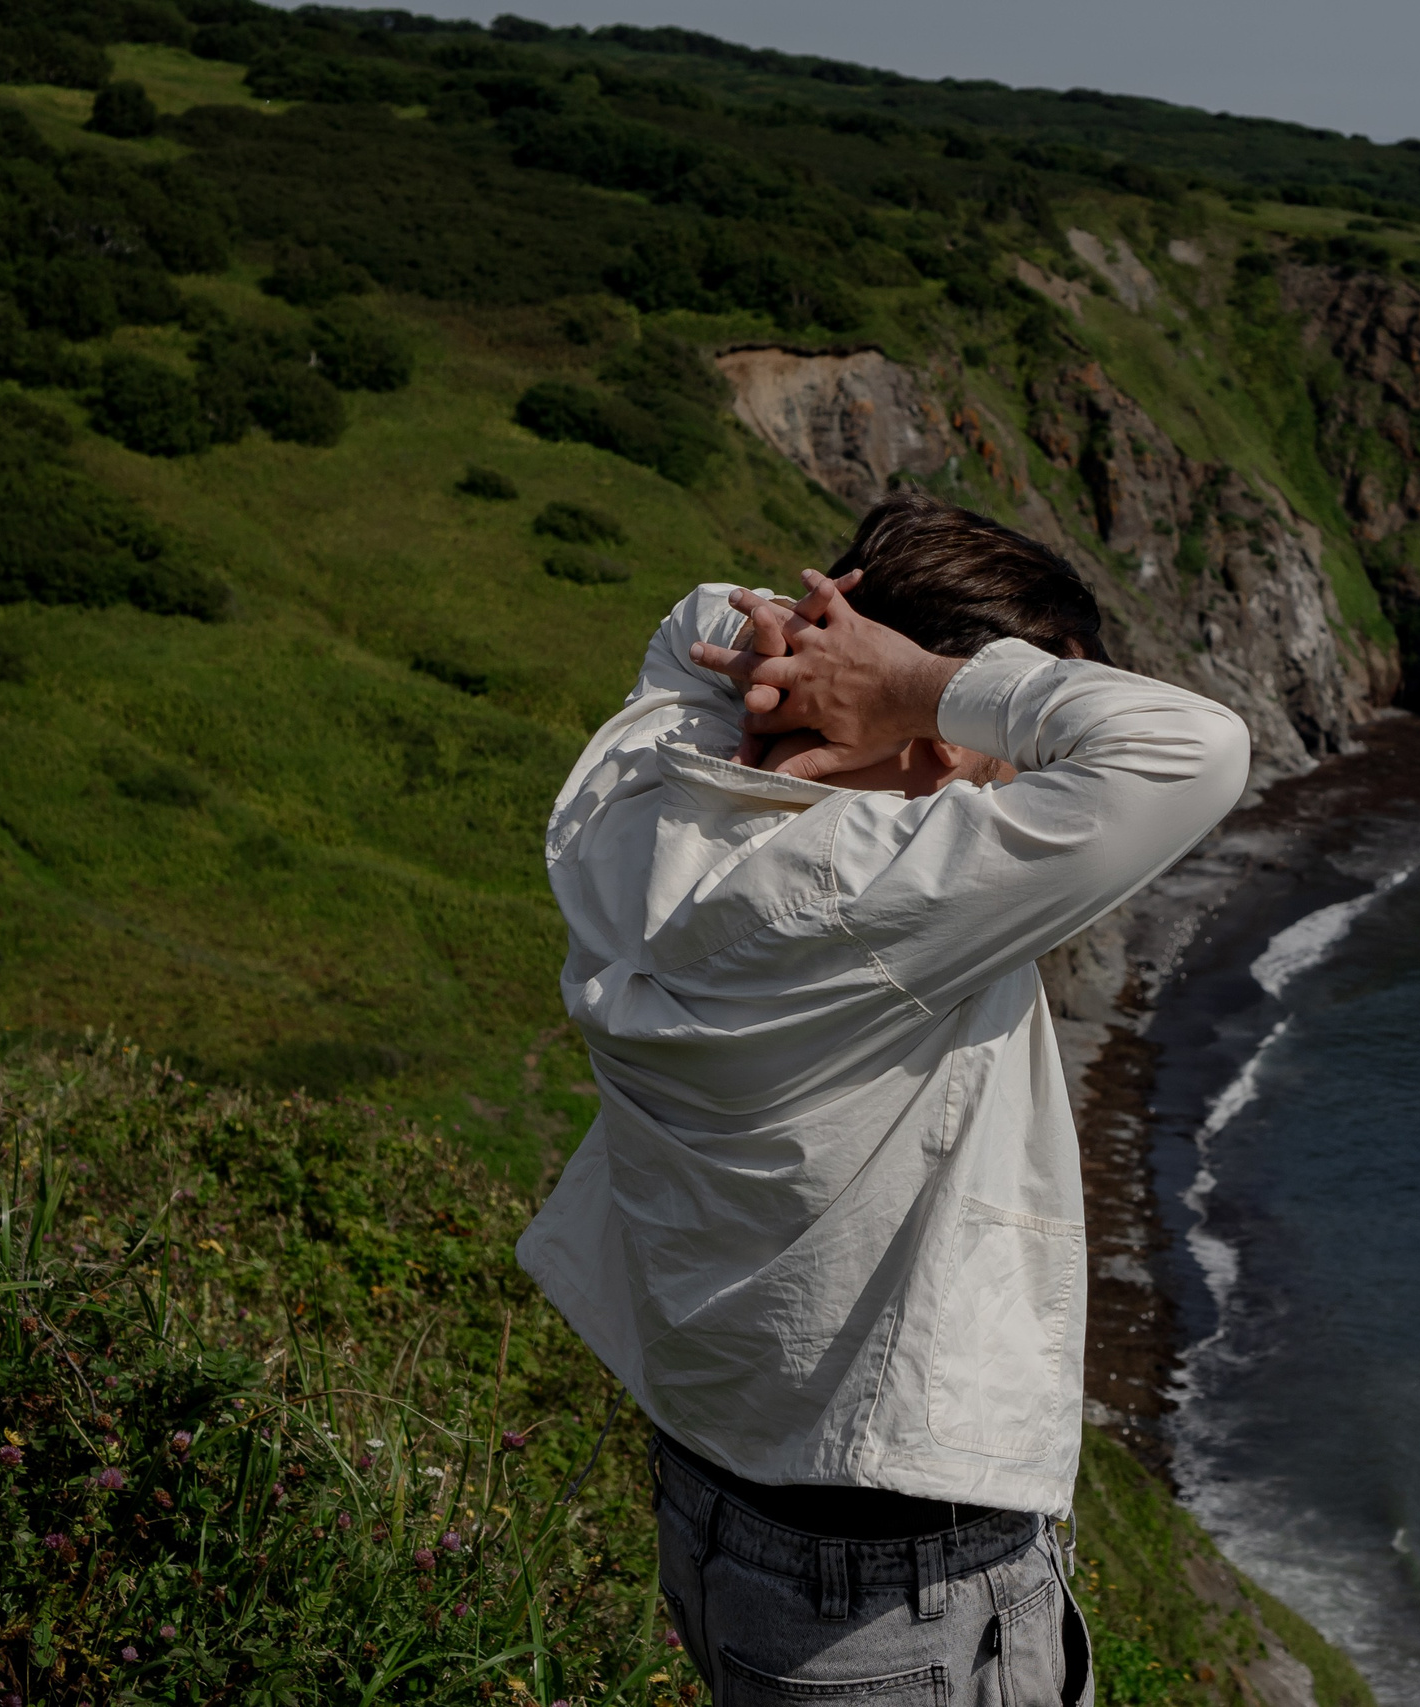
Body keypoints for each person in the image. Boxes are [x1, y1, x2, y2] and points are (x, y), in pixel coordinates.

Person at [517, 493, 1250, 1704]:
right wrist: (919, 684)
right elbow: (1192, 749)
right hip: (891, 1575)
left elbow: (690, 621)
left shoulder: (633, 807)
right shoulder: (874, 899)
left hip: (717, 1505)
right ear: (945, 733)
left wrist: (853, 659)